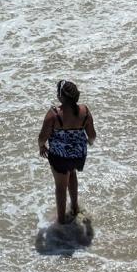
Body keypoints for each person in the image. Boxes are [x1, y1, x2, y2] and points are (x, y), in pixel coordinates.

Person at [37, 80, 95, 224]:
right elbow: (92, 135)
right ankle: (75, 208)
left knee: (60, 187)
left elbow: (42, 137)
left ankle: (61, 221)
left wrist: (42, 147)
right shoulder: (85, 111)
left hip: (60, 157)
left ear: (61, 97)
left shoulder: (54, 114)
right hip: (79, 155)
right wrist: (88, 143)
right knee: (72, 174)